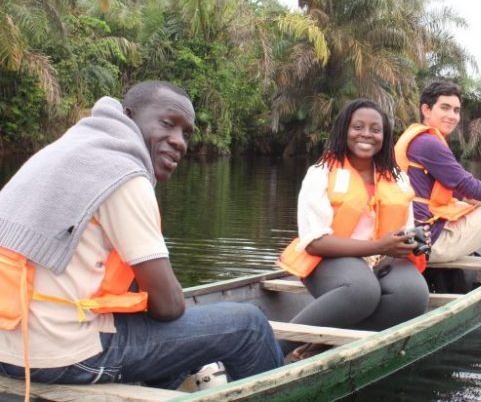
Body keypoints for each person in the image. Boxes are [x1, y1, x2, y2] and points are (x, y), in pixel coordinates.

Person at [0, 81, 282, 394]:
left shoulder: (60, 153)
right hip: (64, 355)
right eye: (167, 124)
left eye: (186, 133)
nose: (179, 142)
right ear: (129, 116)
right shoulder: (124, 175)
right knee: (249, 326)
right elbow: (168, 307)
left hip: (9, 347)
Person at [277, 99, 429, 359]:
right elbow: (314, 242)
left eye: (375, 129)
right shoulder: (321, 173)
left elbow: (404, 227)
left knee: (414, 296)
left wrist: (412, 241)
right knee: (362, 291)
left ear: (385, 135)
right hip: (329, 260)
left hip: (381, 260)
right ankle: (275, 349)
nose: (367, 134)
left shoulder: (397, 177)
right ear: (343, 130)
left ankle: (325, 346)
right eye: (357, 126)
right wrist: (380, 245)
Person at [394, 80, 481, 269]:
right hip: (429, 242)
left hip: (413, 236)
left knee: (472, 204)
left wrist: (471, 201)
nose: (452, 116)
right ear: (426, 109)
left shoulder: (417, 137)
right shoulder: (429, 143)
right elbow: (471, 187)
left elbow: (454, 189)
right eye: (445, 108)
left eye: (456, 110)